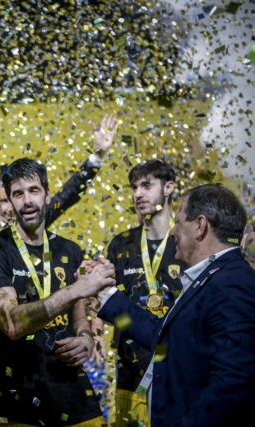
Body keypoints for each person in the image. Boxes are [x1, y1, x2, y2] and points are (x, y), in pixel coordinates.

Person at [81, 183, 255, 427]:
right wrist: (105, 294)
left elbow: (232, 385)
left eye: (178, 222)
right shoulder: (211, 277)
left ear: (200, 226)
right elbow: (163, 335)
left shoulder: (233, 284)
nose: (172, 231)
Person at [0, 158, 115, 426]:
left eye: (34, 190)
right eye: (18, 194)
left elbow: (78, 317)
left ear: (47, 195)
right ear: (9, 201)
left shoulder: (69, 250)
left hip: (71, 389)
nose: (27, 201)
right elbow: (11, 323)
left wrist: (85, 339)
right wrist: (74, 290)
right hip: (19, 396)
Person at [104, 159, 185, 424]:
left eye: (147, 185)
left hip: (177, 373)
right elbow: (110, 305)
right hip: (130, 376)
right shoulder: (120, 245)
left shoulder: (185, 242)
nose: (138, 194)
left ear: (168, 187)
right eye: (134, 187)